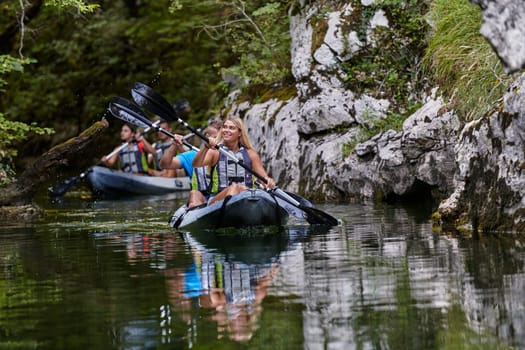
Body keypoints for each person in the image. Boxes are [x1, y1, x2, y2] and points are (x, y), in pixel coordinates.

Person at [192, 115, 275, 206]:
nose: (226, 130)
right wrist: (205, 147)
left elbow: (263, 177)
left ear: (239, 133)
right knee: (234, 188)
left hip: (246, 198)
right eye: (224, 127)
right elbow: (196, 164)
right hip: (217, 200)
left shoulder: (251, 154)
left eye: (231, 128)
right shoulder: (215, 152)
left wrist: (268, 181)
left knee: (243, 189)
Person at [187, 119, 222, 207]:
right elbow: (165, 164)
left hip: (219, 195)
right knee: (194, 193)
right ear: (207, 136)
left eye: (220, 139)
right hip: (202, 195)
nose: (217, 142)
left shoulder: (228, 153)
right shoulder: (195, 154)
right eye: (215, 138)